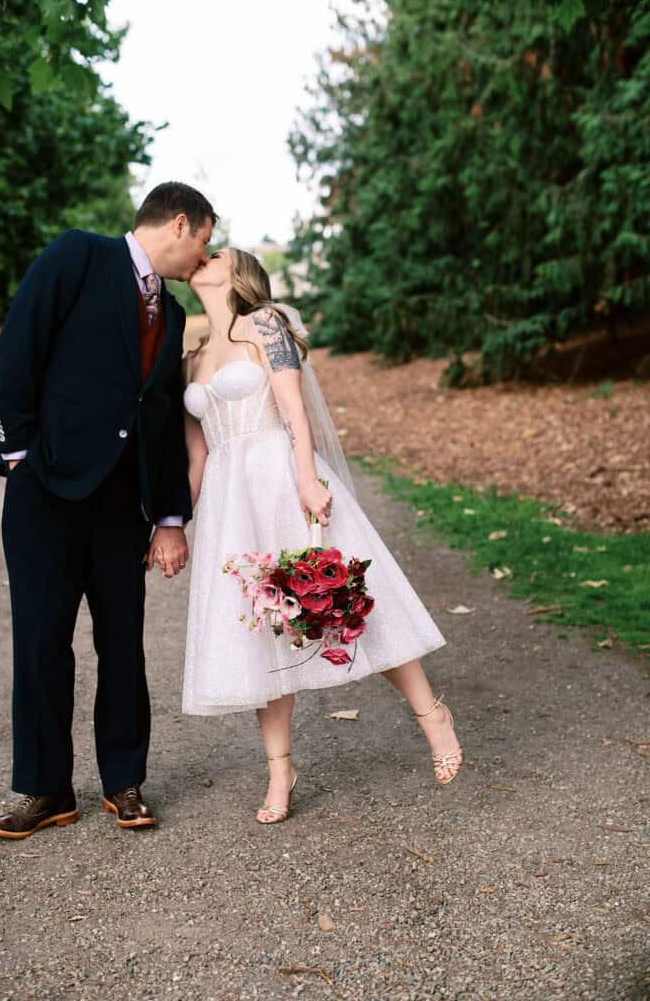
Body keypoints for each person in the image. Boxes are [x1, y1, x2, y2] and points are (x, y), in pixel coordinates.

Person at [182, 248, 463, 824]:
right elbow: (197, 453)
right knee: (263, 630)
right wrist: (174, 525)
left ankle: (433, 715)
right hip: (229, 505)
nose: (201, 257)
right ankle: (281, 768)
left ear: (238, 274)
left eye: (217, 252)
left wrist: (308, 480)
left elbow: (294, 410)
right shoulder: (192, 356)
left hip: (282, 479)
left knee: (349, 608)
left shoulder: (264, 323)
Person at [0, 182, 217, 839]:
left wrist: (169, 518)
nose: (203, 257)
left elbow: (163, 418)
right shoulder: (77, 256)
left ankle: (125, 782)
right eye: (202, 241)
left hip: (122, 509)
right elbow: (16, 354)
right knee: (40, 643)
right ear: (180, 224)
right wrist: (20, 454)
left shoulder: (171, 314)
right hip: (45, 496)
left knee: (122, 647)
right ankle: (46, 791)